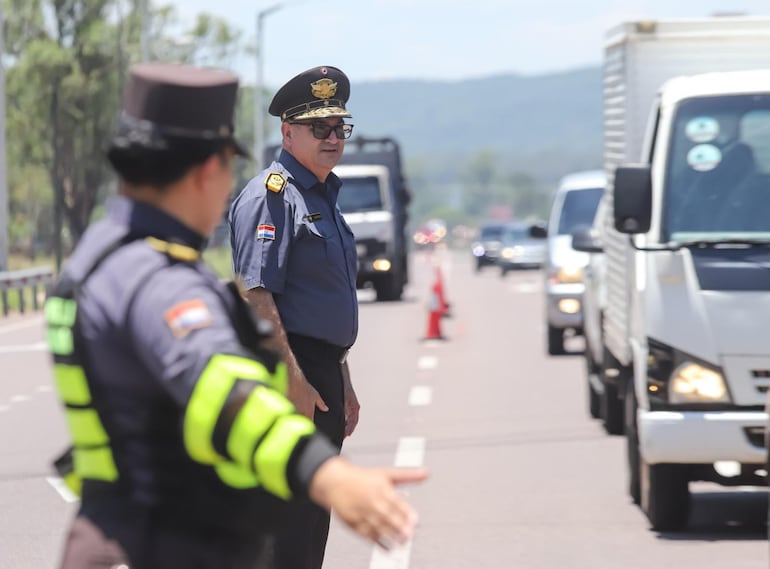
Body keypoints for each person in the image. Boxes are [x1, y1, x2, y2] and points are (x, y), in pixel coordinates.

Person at [45, 62, 426, 569]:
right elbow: (221, 388)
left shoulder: (98, 256)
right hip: (158, 541)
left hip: (113, 528)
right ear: (208, 171)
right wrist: (324, 474)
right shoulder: (157, 279)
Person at [229, 65, 361, 569]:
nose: (332, 138)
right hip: (290, 372)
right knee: (286, 524)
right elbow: (256, 292)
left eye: (339, 128)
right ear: (287, 132)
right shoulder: (275, 194)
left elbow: (325, 299)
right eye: (319, 128)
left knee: (311, 517)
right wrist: (294, 380)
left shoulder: (321, 196)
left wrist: (342, 377)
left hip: (318, 370)